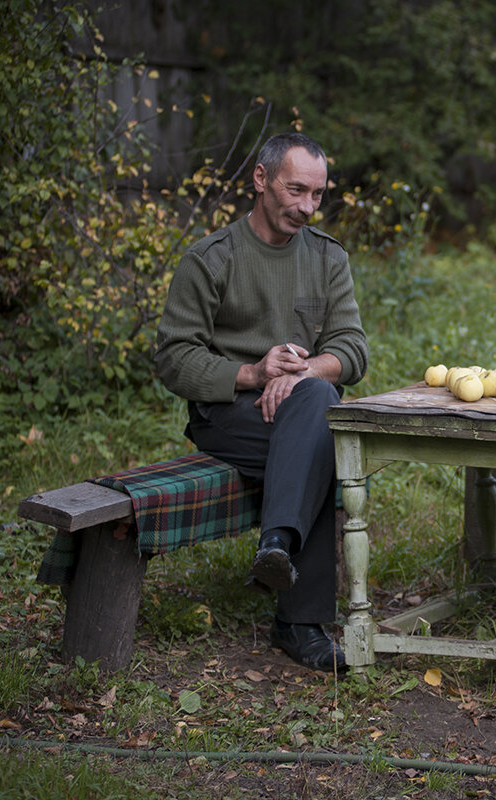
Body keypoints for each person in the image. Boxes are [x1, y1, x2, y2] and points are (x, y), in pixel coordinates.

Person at [154, 132, 368, 672]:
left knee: (317, 406)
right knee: (323, 428)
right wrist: (253, 372)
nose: (307, 206)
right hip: (230, 416)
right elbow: (174, 359)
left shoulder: (326, 258)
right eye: (296, 190)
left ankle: (276, 544)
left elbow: (352, 350)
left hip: (304, 408)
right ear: (261, 179)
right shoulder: (210, 260)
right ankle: (300, 624)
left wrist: (301, 371)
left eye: (318, 195)